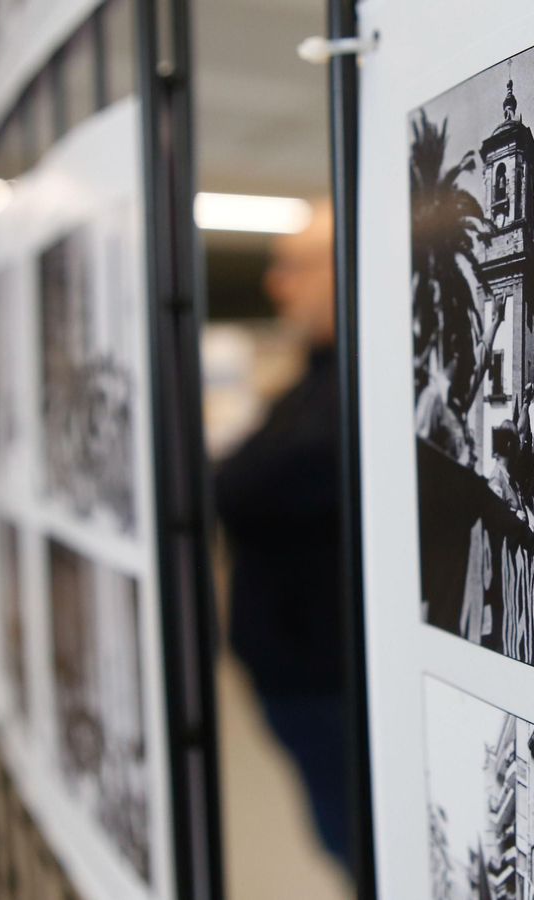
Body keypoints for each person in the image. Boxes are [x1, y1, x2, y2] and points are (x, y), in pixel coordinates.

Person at [213, 199, 349, 866]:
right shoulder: (314, 379)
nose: (275, 284)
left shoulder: (352, 388)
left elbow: (245, 486)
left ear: (343, 265)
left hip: (327, 684)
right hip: (302, 679)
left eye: (294, 266)